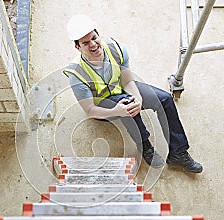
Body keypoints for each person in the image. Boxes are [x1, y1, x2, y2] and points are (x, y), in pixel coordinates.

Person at [63, 14, 203, 173]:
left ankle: (178, 153)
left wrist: (138, 98)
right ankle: (144, 145)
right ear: (78, 47)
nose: (93, 44)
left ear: (98, 34)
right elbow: (89, 110)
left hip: (122, 90)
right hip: (103, 107)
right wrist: (116, 111)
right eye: (85, 43)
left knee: (164, 99)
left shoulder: (116, 49)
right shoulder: (76, 73)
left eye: (94, 38)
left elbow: (128, 81)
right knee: (127, 104)